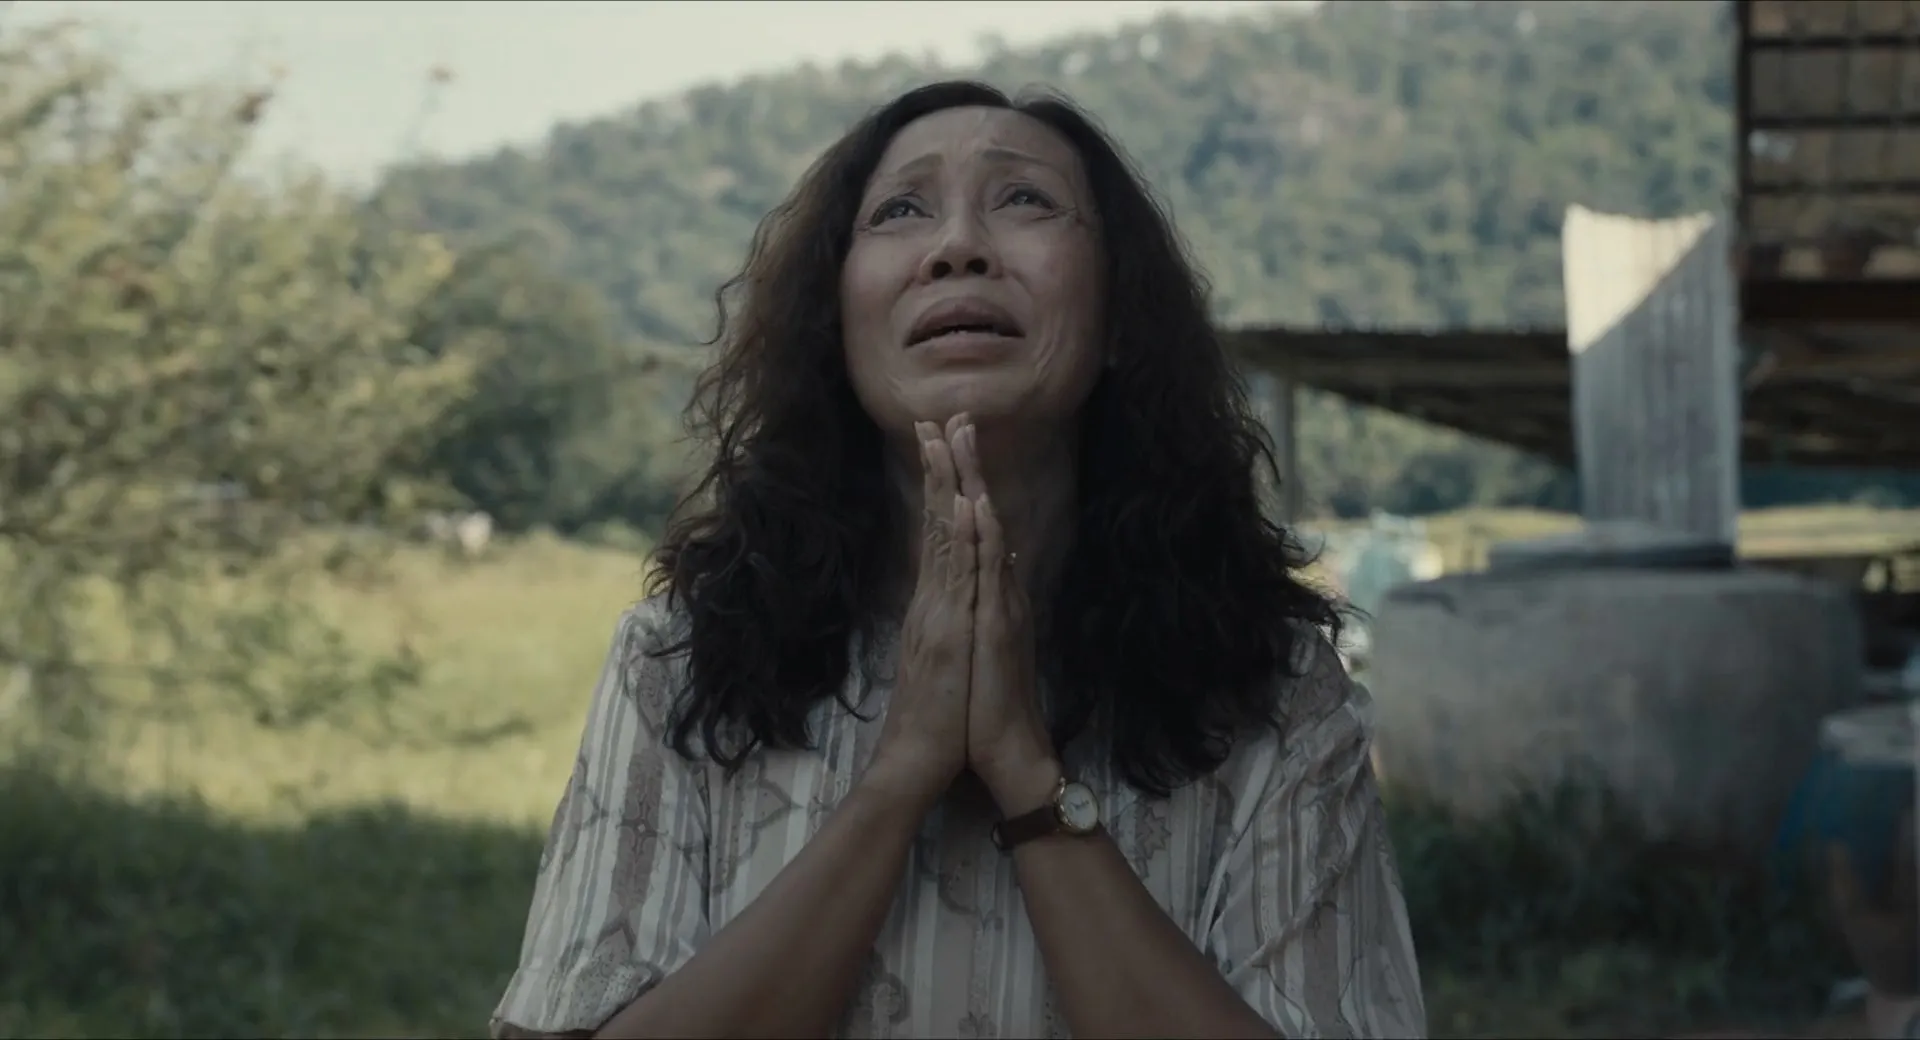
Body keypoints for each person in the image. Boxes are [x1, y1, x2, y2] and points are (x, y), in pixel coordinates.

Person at [490, 80, 1427, 1040]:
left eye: (1024, 199)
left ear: (1118, 315)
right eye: (901, 210)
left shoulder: (1277, 695)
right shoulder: (681, 663)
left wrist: (1027, 774)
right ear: (835, 323)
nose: (957, 247)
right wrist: (901, 775)